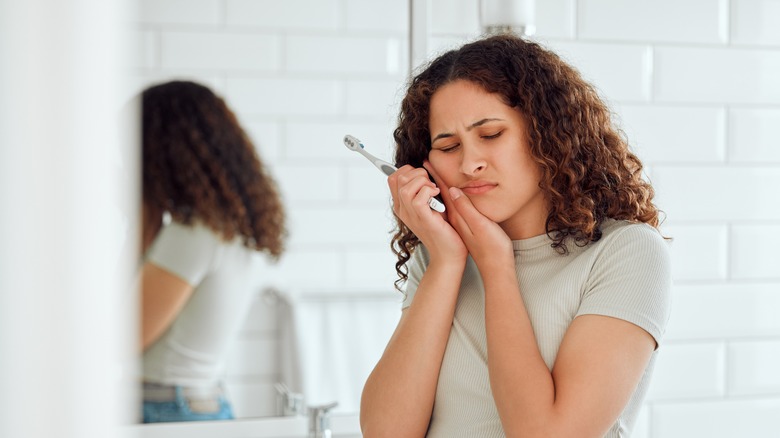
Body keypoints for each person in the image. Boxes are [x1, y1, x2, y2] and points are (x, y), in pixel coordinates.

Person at [360, 34, 671, 438]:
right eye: (449, 145)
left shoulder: (625, 252)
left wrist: (496, 267)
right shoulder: (440, 255)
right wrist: (448, 263)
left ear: (547, 133)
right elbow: (387, 433)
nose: (470, 163)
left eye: (490, 135)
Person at [139, 80, 287, 423]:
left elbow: (122, 337)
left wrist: (140, 214)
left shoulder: (190, 234)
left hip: (165, 409)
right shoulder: (224, 228)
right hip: (195, 405)